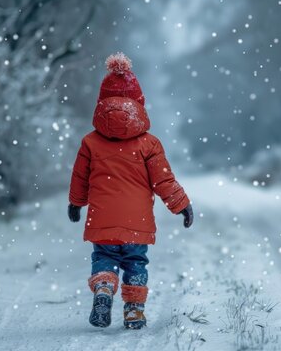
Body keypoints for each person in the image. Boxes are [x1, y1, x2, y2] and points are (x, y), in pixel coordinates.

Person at [68, 52, 193, 329]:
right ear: (139, 103)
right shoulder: (149, 144)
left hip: (102, 218)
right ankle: (134, 310)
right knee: (136, 262)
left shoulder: (90, 142)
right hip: (137, 221)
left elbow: (80, 177)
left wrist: (76, 203)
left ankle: (103, 289)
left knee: (104, 256)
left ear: (101, 103)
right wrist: (182, 205)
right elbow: (164, 180)